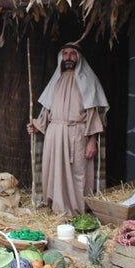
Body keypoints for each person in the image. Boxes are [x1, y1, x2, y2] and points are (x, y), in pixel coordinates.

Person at [26, 42, 109, 217]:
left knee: (77, 172)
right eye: (65, 53)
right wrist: (36, 125)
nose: (68, 57)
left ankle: (77, 211)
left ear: (79, 57)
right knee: (54, 172)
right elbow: (47, 111)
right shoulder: (55, 81)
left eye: (72, 53)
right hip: (54, 134)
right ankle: (56, 209)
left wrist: (92, 141)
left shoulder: (88, 81)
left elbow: (93, 113)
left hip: (77, 134)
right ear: (61, 57)